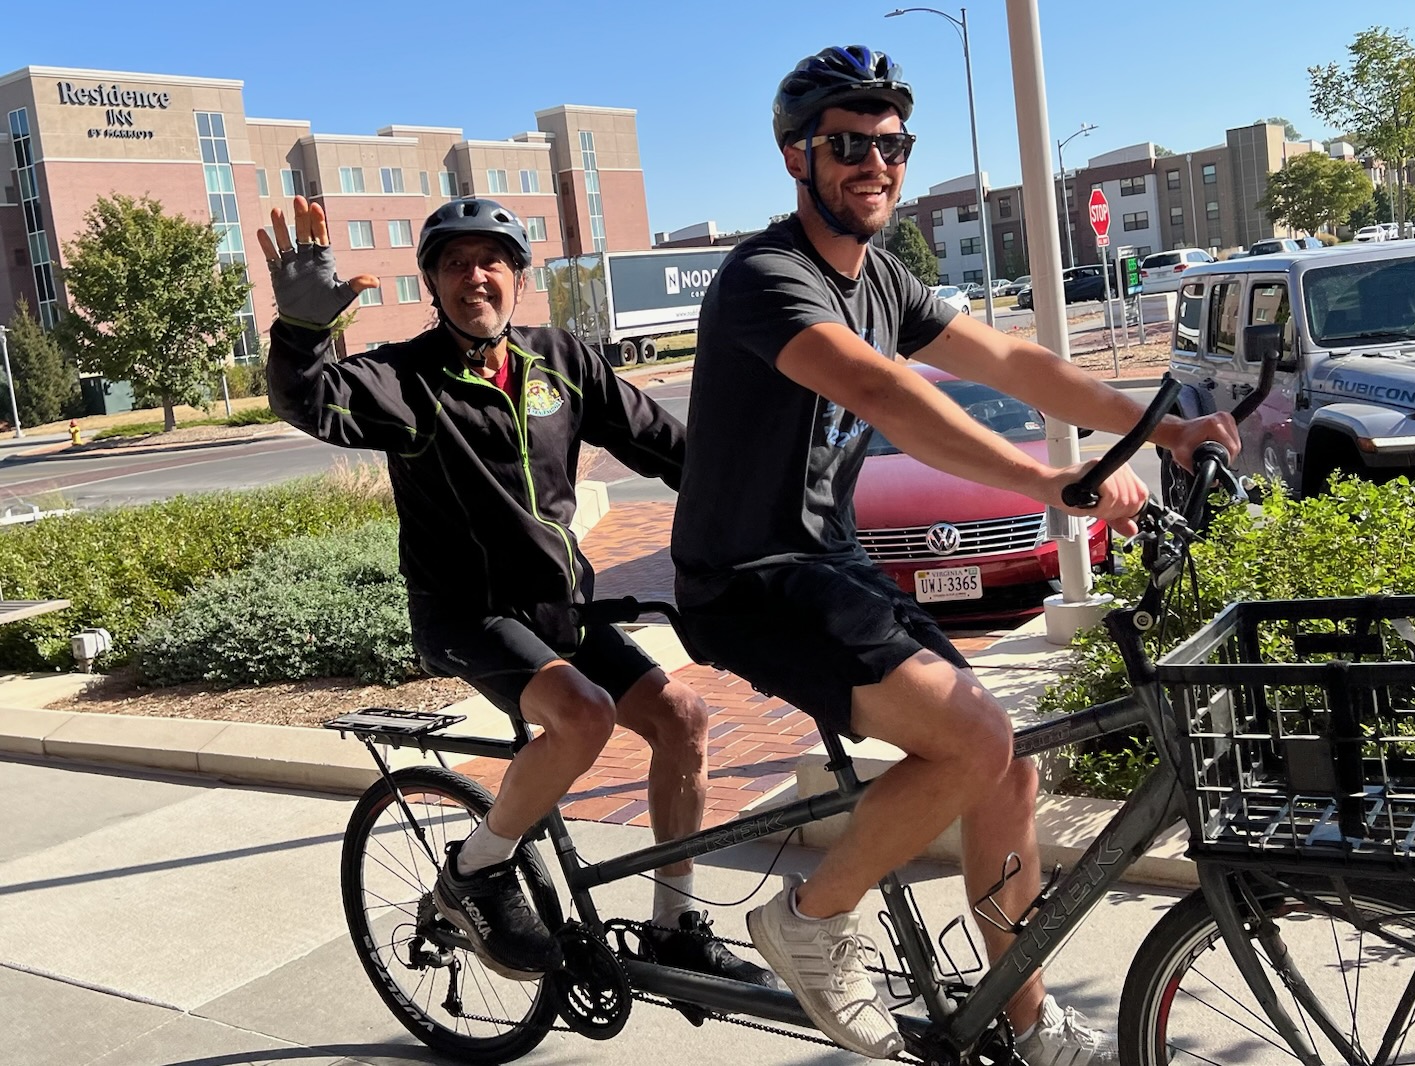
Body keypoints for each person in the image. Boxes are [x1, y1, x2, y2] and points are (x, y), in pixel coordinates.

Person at [670, 45, 1240, 1063]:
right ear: (797, 157)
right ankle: (809, 917)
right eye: (849, 144)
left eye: (892, 144)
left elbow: (1014, 361)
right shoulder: (766, 277)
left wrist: (1159, 425)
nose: (876, 163)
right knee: (976, 741)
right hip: (750, 579)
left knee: (1004, 770)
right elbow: (885, 395)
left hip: (828, 565)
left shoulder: (883, 276)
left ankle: (1024, 1026)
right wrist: (1048, 483)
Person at [260, 195, 772, 988]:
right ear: (433, 282)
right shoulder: (406, 379)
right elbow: (310, 400)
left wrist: (759, 501)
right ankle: (476, 871)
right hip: (466, 615)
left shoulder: (560, 360)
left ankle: (673, 924)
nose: (476, 276)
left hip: (560, 612)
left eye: (492, 260)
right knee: (584, 714)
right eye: (456, 263)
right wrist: (300, 333)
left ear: (518, 278)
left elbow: (668, 447)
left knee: (683, 718)